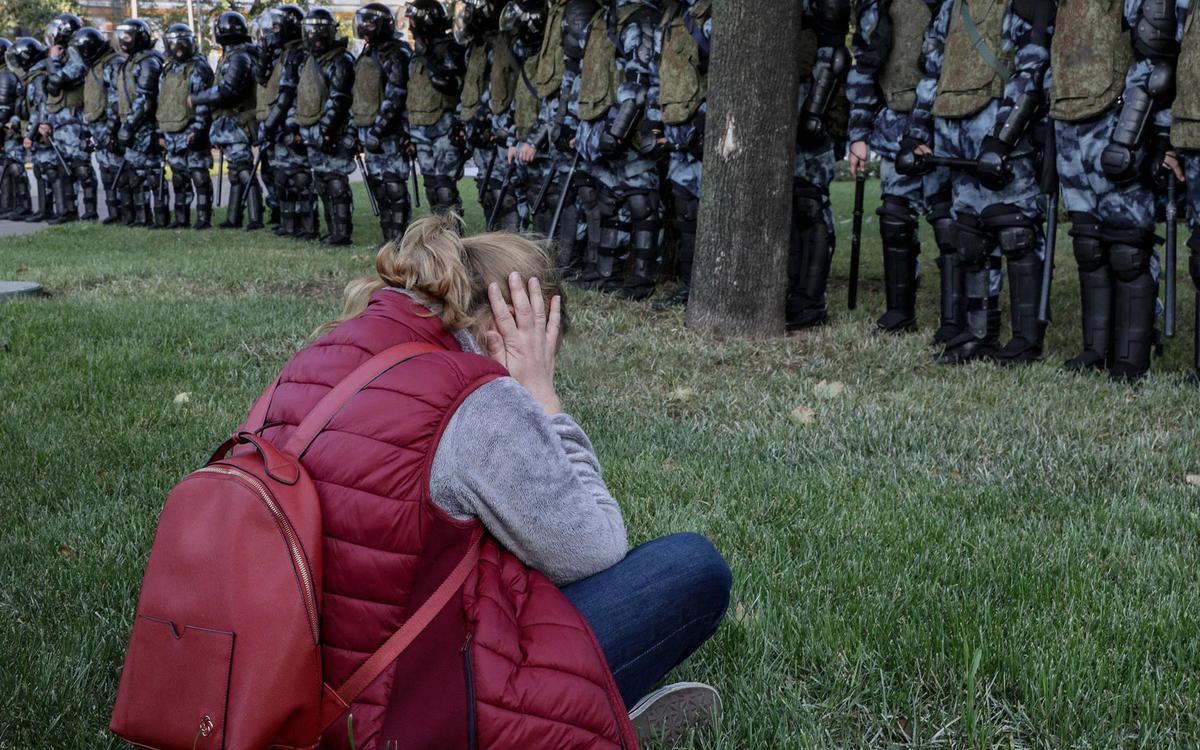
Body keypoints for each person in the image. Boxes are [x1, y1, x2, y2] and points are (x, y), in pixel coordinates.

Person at [236, 213, 730, 748]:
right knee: (693, 568)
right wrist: (541, 395)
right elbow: (594, 548)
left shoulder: (324, 354)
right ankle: (584, 721)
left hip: (280, 686)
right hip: (402, 715)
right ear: (508, 328)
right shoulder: (475, 399)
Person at [903, 0, 1055, 364]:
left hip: (999, 133)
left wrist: (1003, 137)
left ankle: (1025, 340)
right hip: (953, 131)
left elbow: (1032, 66)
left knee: (1015, 233)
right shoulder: (952, 7)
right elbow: (931, 71)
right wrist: (915, 132)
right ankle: (978, 333)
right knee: (969, 237)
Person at [1052, 0, 1175, 380]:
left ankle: (1130, 360)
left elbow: (1157, 56)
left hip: (1118, 123)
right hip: (1068, 122)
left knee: (1128, 250)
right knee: (1088, 245)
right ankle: (1095, 350)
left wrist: (1139, 135)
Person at [847, 0, 954, 334]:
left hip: (942, 124)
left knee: (948, 224)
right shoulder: (878, 5)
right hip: (893, 125)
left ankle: (955, 320)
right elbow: (865, 68)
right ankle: (899, 314)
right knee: (894, 221)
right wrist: (858, 135)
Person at [575, 0, 664, 299]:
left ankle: (641, 281)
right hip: (599, 126)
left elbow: (639, 77)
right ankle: (606, 274)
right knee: (606, 204)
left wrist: (618, 131)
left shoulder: (640, 17)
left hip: (632, 128)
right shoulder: (601, 19)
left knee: (642, 206)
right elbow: (584, 74)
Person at [787, 0, 851, 330]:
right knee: (786, 205)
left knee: (809, 204)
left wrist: (816, 110)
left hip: (817, 101)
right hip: (781, 99)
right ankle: (790, 292)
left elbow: (836, 52)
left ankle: (810, 302)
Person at [652, 0, 712, 310]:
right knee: (686, 212)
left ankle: (707, 286)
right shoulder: (672, 15)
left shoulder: (712, 12)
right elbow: (660, 77)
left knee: (706, 213)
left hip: (703, 133)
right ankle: (690, 287)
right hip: (676, 134)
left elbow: (727, 72)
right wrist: (655, 128)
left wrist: (706, 124)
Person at [293, 7, 356, 245]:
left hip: (335, 134)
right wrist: (299, 129)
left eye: (319, 30)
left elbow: (339, 99)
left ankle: (342, 234)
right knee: (321, 183)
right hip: (313, 133)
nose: (314, 36)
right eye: (310, 30)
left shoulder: (341, 60)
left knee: (337, 184)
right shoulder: (308, 61)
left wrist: (326, 130)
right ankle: (332, 231)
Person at [192, 11, 261, 230]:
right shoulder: (231, 56)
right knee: (234, 172)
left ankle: (255, 218)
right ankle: (234, 217)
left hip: (238, 123)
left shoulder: (240, 57)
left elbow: (228, 91)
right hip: (229, 123)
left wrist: (196, 98)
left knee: (243, 169)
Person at [353, 2, 414, 243]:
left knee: (394, 188)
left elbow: (396, 95)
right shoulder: (368, 53)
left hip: (391, 135)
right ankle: (388, 239)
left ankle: (400, 239)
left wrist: (378, 129)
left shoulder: (396, 53)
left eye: (370, 23)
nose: (365, 27)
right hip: (370, 134)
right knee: (379, 185)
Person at [406, 0, 468, 215]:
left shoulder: (449, 48)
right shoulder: (417, 53)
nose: (410, 27)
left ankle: (452, 238)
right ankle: (438, 237)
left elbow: (449, 84)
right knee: (431, 186)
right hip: (420, 128)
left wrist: (427, 56)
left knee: (444, 188)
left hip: (444, 127)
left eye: (413, 22)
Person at [256, 4, 311, 239]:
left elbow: (288, 94)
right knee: (281, 178)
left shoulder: (299, 54)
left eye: (276, 27)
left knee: (299, 178)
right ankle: (289, 225)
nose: (272, 32)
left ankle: (308, 227)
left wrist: (269, 126)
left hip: (292, 123)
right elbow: (261, 77)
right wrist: (266, 52)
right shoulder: (281, 54)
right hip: (278, 123)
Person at [157, 23, 214, 230]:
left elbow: (203, 103)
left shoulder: (198, 68)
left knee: (199, 177)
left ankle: (203, 219)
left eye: (183, 42)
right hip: (171, 131)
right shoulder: (168, 69)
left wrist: (199, 130)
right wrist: (160, 132)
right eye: (174, 43)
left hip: (191, 130)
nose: (178, 47)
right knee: (179, 178)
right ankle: (181, 218)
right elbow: (162, 101)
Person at [112, 19, 165, 228]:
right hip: (130, 126)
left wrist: (129, 127)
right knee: (134, 176)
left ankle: (160, 218)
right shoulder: (130, 62)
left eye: (127, 36)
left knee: (152, 175)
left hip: (146, 128)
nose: (123, 41)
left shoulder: (149, 62)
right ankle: (142, 218)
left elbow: (146, 100)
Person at [43, 13, 96, 223]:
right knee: (64, 169)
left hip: (75, 121)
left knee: (81, 168)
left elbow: (57, 81)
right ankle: (68, 211)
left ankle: (91, 212)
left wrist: (53, 60)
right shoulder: (63, 55)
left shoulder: (76, 55)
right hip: (60, 121)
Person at [72, 26, 125, 224]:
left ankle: (125, 213)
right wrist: (87, 132)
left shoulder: (112, 63)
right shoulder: (94, 66)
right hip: (97, 126)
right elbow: (90, 100)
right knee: (106, 171)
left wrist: (111, 129)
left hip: (110, 127)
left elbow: (116, 99)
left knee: (118, 171)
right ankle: (113, 213)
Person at [15, 36, 57, 223]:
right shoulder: (34, 75)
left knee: (48, 171)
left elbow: (40, 106)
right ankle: (42, 209)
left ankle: (49, 210)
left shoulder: (38, 77)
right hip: (38, 128)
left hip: (42, 130)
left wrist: (30, 134)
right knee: (40, 170)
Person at [0, 37, 33, 221]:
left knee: (15, 167)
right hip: (9, 128)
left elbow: (4, 107)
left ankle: (23, 205)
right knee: (6, 167)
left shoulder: (5, 75)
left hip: (10, 129)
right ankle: (7, 205)